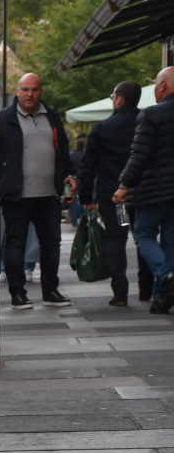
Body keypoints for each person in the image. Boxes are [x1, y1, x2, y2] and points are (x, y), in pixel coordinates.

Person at [0, 72, 75, 310]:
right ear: (17, 91)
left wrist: (69, 173)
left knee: (51, 244)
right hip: (16, 194)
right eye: (25, 89)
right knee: (15, 243)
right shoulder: (3, 118)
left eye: (35, 89)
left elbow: (62, 147)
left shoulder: (51, 116)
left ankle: (50, 290)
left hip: (48, 194)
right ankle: (18, 293)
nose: (30, 94)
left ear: (41, 91)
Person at [115, 66, 174, 314]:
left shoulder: (151, 114)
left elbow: (139, 154)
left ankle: (166, 274)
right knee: (171, 242)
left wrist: (124, 185)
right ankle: (162, 298)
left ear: (162, 86)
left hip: (155, 189)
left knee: (143, 233)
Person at [79, 80, 142, 306]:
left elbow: (89, 166)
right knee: (144, 236)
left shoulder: (102, 129)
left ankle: (121, 291)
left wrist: (85, 196)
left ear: (119, 100)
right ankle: (149, 287)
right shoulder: (146, 122)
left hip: (113, 195)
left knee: (116, 238)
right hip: (144, 192)